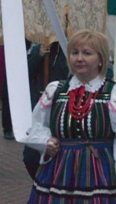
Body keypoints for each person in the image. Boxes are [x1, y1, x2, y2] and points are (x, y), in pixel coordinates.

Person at [25, 30, 116, 204]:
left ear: (101, 59)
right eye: (74, 52)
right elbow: (35, 125)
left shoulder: (115, 93)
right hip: (58, 172)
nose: (79, 58)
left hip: (101, 173)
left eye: (87, 53)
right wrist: (45, 141)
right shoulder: (56, 90)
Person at [23, 41, 69, 180]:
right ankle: (41, 182)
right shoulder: (38, 48)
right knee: (30, 157)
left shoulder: (69, 47)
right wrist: (40, 55)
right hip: (41, 105)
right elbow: (26, 73)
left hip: (64, 106)